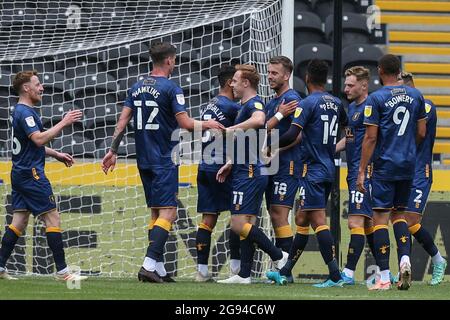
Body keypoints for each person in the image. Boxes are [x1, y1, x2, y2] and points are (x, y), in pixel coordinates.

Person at [101, 42, 223, 283]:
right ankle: (148, 265)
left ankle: (159, 269)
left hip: (143, 158)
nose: (175, 64)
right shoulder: (172, 88)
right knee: (169, 211)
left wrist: (112, 150)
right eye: (174, 60)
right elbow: (186, 124)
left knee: (157, 212)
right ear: (169, 60)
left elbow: (123, 120)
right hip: (164, 158)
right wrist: (209, 124)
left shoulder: (136, 87)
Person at [267, 59, 347, 288]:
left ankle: (334, 275)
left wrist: (269, 144)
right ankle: (285, 272)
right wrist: (335, 148)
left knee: (318, 221)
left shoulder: (308, 103)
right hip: (327, 168)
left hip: (312, 170)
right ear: (326, 79)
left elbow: (293, 134)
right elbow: (348, 130)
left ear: (308, 79)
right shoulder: (336, 102)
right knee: (302, 219)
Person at [0, 70, 86, 282]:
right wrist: (64, 122)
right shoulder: (26, 113)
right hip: (31, 174)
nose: (42, 88)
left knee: (19, 221)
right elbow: (38, 139)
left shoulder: (19, 111)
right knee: (52, 217)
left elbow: (30, 145)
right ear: (26, 88)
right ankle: (63, 272)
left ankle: (0, 266)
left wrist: (55, 153)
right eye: (37, 84)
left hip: (20, 172)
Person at [357, 54, 427, 291]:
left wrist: (361, 171)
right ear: (399, 71)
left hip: (385, 165)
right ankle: (405, 261)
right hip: (408, 164)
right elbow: (421, 132)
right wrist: (407, 148)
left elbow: (370, 138)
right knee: (399, 215)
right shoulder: (416, 95)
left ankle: (385, 277)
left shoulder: (376, 99)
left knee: (379, 217)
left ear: (379, 71)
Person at [216, 64, 288, 284]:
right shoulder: (243, 105)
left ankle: (279, 256)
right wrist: (230, 161)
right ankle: (244, 274)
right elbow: (250, 141)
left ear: (246, 83)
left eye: (235, 81)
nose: (232, 84)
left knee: (238, 224)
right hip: (246, 168)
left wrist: (230, 129)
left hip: (248, 173)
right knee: (248, 224)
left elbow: (259, 120)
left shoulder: (254, 103)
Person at [398, 72, 447, 286]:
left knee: (410, 220)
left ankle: (438, 260)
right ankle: (403, 268)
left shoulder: (426, 105)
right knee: (401, 221)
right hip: (402, 171)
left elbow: (415, 131)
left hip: (420, 171)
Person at [195, 65, 241, 282]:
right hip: (223, 167)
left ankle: (202, 272)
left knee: (208, 220)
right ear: (231, 82)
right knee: (238, 216)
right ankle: (236, 270)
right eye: (238, 80)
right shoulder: (231, 107)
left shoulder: (209, 105)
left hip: (204, 166)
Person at [335, 66, 376, 285]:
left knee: (355, 222)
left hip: (365, 171)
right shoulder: (351, 108)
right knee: (367, 225)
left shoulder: (371, 106)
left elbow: (374, 139)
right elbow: (349, 138)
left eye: (351, 85)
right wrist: (330, 150)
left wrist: (364, 170)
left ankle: (348, 273)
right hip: (352, 171)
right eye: (346, 84)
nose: (346, 88)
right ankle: (385, 271)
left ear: (363, 85)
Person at [264, 56, 302, 283]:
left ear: (286, 75)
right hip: (272, 165)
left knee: (280, 215)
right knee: (275, 215)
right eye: (269, 72)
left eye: (274, 73)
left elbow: (299, 135)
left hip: (287, 165)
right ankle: (281, 269)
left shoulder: (293, 100)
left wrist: (276, 150)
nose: (270, 76)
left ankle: (285, 270)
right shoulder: (274, 102)